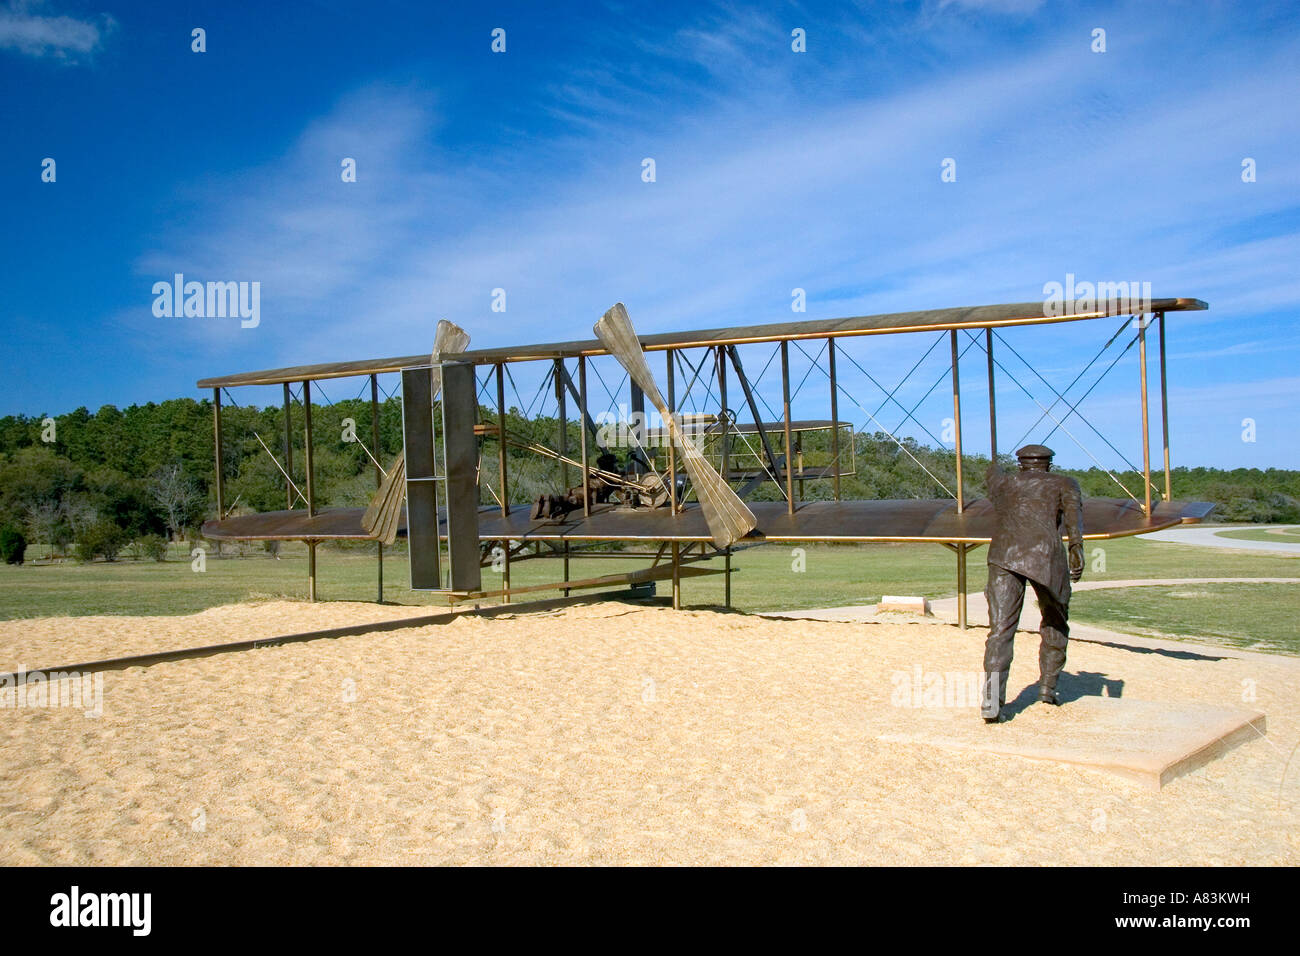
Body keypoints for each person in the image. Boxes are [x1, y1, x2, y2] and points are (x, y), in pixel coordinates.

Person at [981, 444, 1084, 723]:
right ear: (1048, 462)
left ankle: (991, 702)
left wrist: (994, 467)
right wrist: (1077, 549)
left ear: (1021, 462)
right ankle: (1048, 689)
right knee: (1055, 619)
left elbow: (991, 480)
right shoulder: (1065, 483)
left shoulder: (1003, 482)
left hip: (1003, 557)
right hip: (1045, 559)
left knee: (1000, 631)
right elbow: (1074, 521)